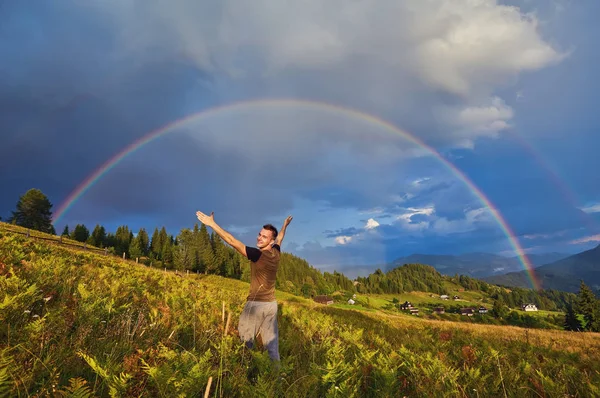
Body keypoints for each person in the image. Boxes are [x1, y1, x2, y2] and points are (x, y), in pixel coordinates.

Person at [195, 210, 293, 362]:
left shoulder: (258, 255)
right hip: (271, 306)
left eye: (264, 237)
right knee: (272, 349)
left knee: (245, 345)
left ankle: (244, 375)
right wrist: (284, 225)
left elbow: (232, 241)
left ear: (270, 242)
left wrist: (212, 224)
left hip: (255, 305)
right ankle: (276, 380)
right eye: (260, 234)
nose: (259, 238)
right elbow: (280, 238)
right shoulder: (276, 252)